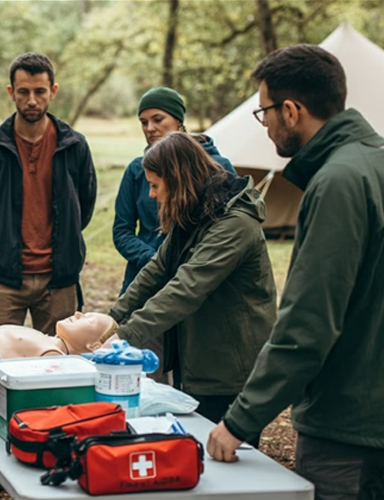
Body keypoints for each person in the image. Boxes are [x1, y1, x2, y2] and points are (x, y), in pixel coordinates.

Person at [207, 45, 384, 499]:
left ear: (291, 110)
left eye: (264, 111)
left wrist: (239, 421)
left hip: (347, 432)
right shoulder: (375, 162)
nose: (264, 124)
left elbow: (307, 325)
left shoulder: (339, 182)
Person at [106, 132, 276, 441]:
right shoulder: (196, 212)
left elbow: (185, 288)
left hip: (231, 369)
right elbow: (157, 270)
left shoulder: (234, 224)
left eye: (156, 185)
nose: (152, 195)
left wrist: (123, 337)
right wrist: (112, 318)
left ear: (178, 180)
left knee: (229, 471)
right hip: (201, 357)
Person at [0, 52, 97, 335]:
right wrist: (0, 246)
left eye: (40, 91)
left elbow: (84, 206)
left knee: (58, 363)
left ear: (53, 91)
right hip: (2, 278)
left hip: (59, 279)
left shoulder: (74, 145)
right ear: (11, 92)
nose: (32, 100)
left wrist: (62, 247)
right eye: (23, 92)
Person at [112, 87, 235, 383]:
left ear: (179, 121)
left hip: (198, 291)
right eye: (143, 122)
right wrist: (157, 260)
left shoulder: (217, 168)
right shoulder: (136, 170)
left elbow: (221, 235)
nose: (150, 128)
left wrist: (184, 267)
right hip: (147, 287)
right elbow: (122, 230)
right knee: (144, 379)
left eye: (158, 119)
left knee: (191, 382)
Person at [0, 312, 117, 386]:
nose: (78, 313)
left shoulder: (53, 358)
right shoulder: (47, 340)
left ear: (94, 347)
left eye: (88, 320)